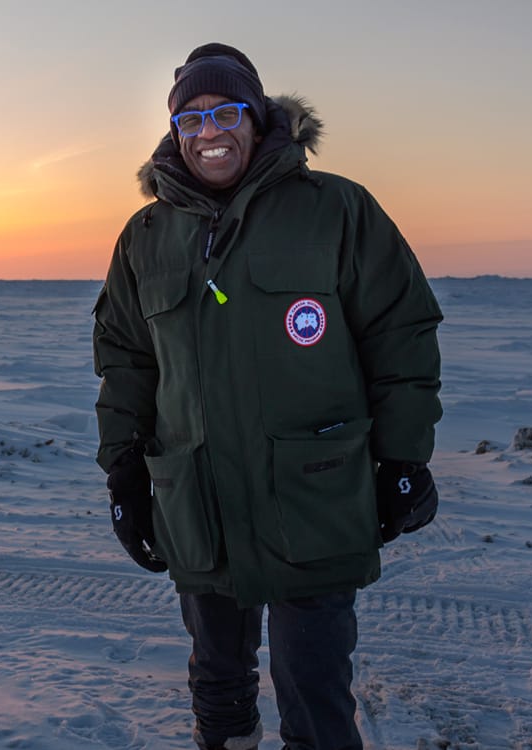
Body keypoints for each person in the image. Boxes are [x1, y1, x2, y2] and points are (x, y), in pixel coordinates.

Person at [92, 43, 443, 750]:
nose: (209, 131)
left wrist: (402, 457)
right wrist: (124, 469)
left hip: (313, 498)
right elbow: (127, 361)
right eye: (190, 119)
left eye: (225, 112)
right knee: (217, 680)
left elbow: (400, 334)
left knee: (313, 687)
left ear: (257, 118)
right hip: (198, 497)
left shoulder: (335, 208)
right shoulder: (147, 237)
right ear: (173, 133)